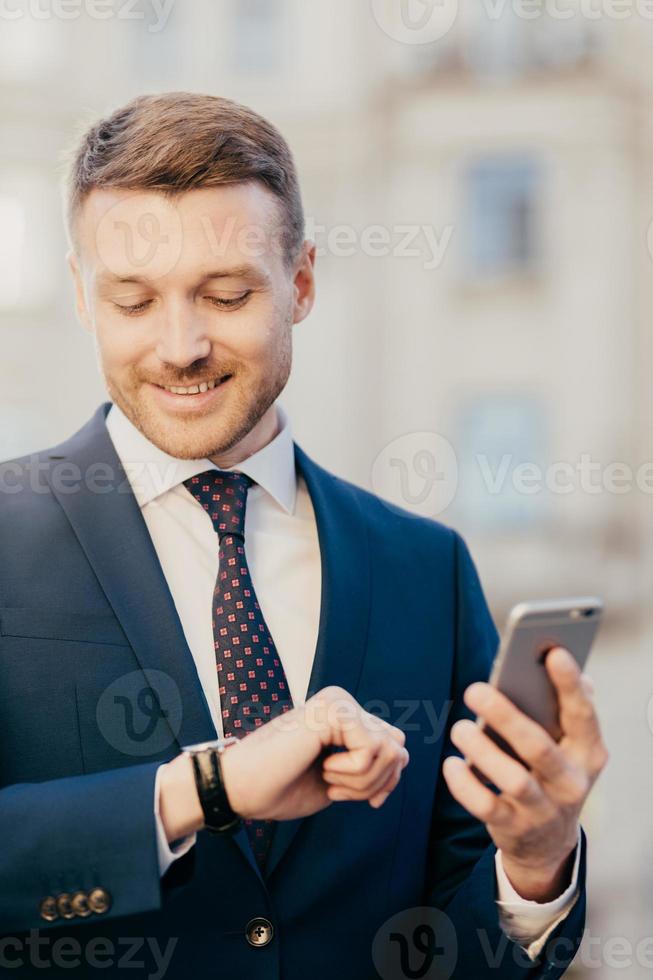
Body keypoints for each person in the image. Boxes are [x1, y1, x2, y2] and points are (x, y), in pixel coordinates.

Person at [0, 92, 607, 979]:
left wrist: (535, 858)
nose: (180, 346)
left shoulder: (421, 569)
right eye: (133, 301)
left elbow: (459, 944)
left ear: (305, 281)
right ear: (86, 299)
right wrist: (200, 791)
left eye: (227, 294)